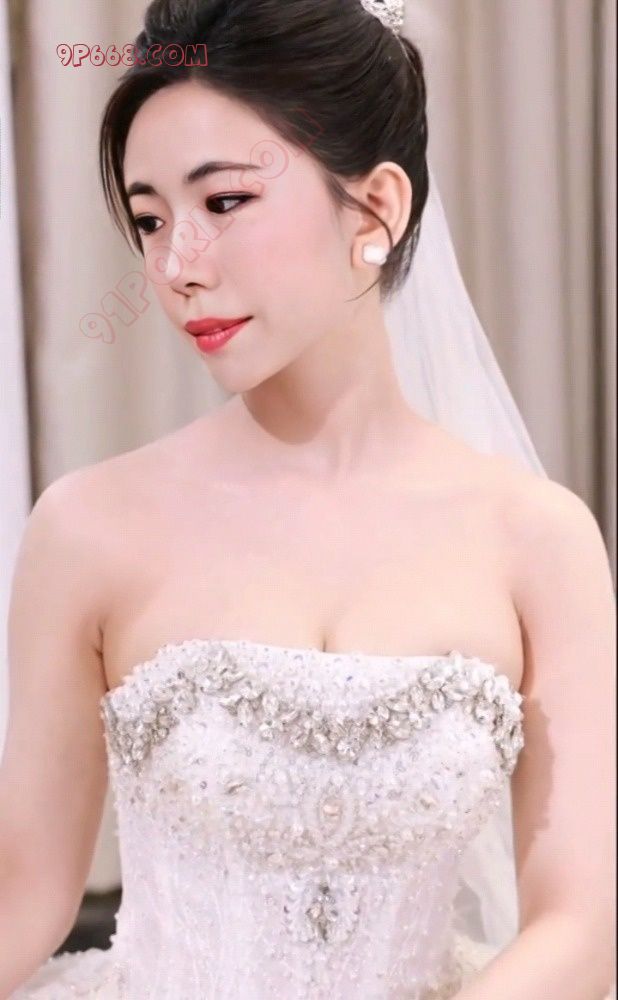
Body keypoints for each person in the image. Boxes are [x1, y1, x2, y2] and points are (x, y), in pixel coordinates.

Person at [1, 0, 615, 997]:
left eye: (224, 202)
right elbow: (24, 889)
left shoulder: (538, 540)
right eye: (150, 219)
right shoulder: (87, 528)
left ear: (375, 210)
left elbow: (582, 927)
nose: (176, 266)